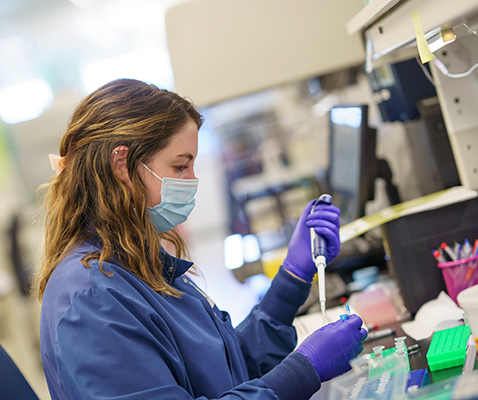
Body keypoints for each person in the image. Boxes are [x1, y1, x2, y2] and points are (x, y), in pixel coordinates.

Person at [36, 79, 367, 400]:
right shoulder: (91, 301)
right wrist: (303, 369)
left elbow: (226, 370)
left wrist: (292, 277)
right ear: (121, 166)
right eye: (180, 166)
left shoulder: (131, 261)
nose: (191, 180)